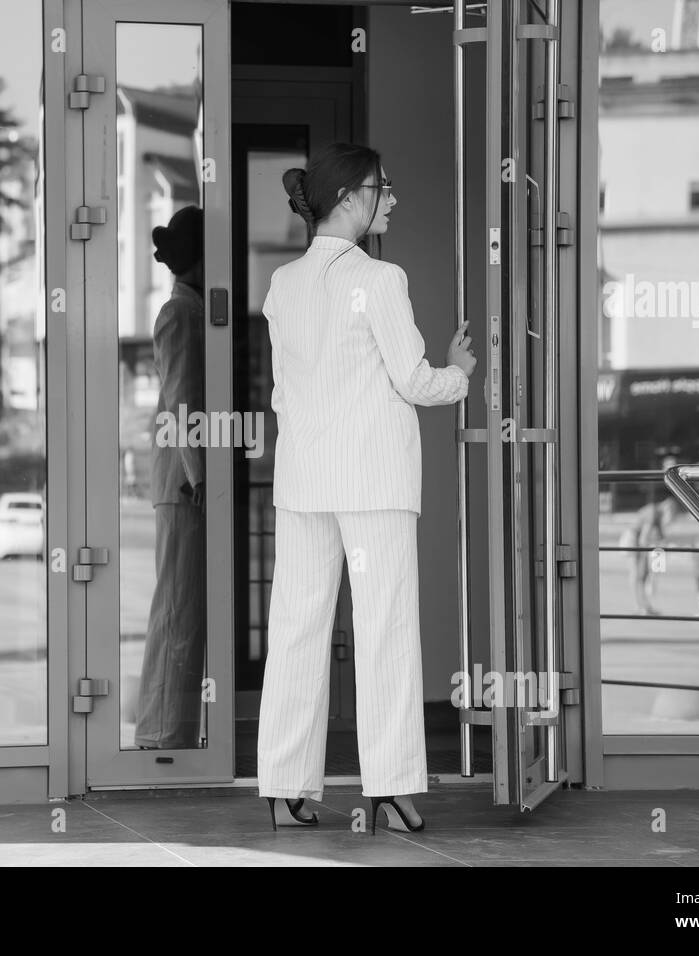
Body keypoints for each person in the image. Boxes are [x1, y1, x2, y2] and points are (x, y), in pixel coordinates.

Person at [257, 143, 476, 833]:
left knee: (296, 629)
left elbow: (283, 394)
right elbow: (416, 383)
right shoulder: (381, 279)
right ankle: (388, 787)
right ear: (351, 195)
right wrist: (460, 371)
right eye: (384, 188)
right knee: (383, 631)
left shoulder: (281, 284)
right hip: (373, 480)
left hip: (302, 479)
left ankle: (285, 788)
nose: (392, 199)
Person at [133, 205, 208, 749]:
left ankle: (171, 731)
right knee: (177, 610)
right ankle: (161, 734)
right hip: (183, 483)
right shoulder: (179, 314)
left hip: (185, 478)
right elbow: (182, 401)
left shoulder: (193, 309)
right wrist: (199, 475)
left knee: (183, 609)